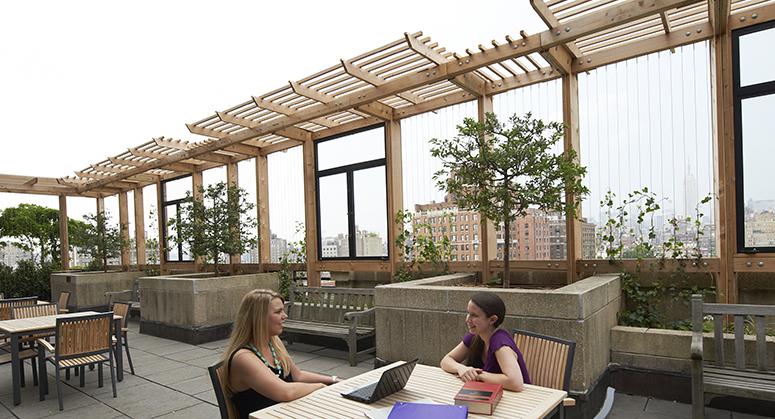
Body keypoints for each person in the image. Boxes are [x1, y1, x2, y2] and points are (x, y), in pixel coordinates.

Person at [222, 289, 342, 419]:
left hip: (286, 412)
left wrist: (334, 380)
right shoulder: (243, 358)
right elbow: (286, 392)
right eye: (278, 312)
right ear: (259, 318)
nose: (285, 316)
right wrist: (320, 386)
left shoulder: (273, 341)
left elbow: (298, 376)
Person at [440, 291, 530, 391]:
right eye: (468, 313)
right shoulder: (475, 336)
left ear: (492, 320)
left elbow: (515, 383)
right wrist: (461, 368)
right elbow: (446, 360)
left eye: (474, 315)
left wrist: (477, 375)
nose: (467, 319)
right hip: (491, 395)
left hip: (521, 401)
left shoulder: (500, 342)